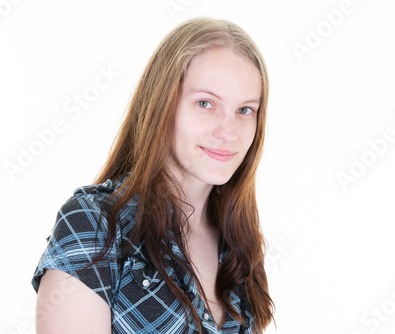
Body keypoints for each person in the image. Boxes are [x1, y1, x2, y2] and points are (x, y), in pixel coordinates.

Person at [31, 17, 274, 334]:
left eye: (245, 110)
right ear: (161, 104)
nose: (229, 132)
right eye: (205, 103)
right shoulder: (94, 225)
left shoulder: (238, 245)